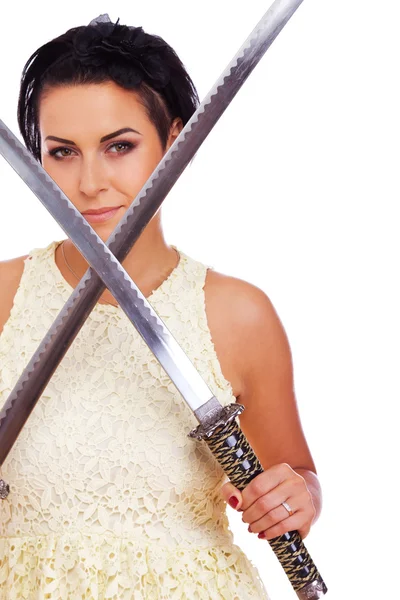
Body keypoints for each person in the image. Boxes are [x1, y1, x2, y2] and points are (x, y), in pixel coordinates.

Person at [0, 14, 322, 599]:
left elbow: (293, 474)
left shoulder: (238, 313)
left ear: (175, 142)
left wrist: (298, 495)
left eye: (119, 146)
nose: (90, 182)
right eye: (62, 151)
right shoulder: (2, 297)